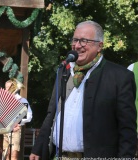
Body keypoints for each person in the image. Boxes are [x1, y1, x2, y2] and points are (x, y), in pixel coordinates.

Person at [29, 20, 137, 159]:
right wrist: (38, 149)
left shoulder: (120, 77)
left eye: (84, 41)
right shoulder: (64, 71)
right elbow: (52, 113)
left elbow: (127, 130)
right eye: (75, 40)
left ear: (100, 46)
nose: (77, 45)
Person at [3, 79, 33, 160]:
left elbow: (29, 116)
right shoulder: (3, 100)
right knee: (4, 155)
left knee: (14, 155)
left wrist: (17, 121)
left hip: (15, 130)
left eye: (9, 88)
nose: (6, 90)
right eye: (6, 88)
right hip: (4, 130)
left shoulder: (22, 100)